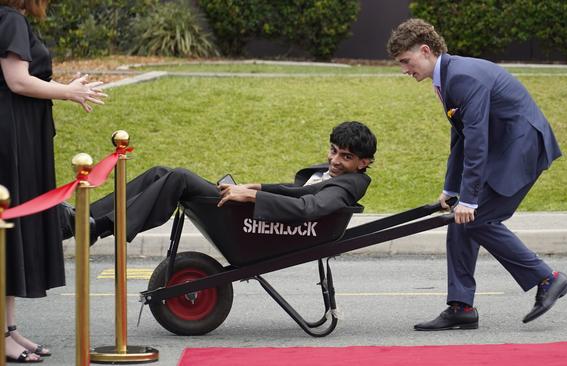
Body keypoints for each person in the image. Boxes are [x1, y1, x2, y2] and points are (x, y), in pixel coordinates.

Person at [386, 19, 567, 331]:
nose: (405, 70)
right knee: (461, 221)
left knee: (478, 217)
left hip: (521, 149)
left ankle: (547, 279)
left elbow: (476, 141)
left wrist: (469, 199)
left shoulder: (462, 78)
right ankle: (461, 306)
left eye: (406, 61)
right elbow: (460, 137)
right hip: (505, 149)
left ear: (425, 50)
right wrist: (451, 190)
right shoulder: (447, 78)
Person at [60, 121, 377, 244]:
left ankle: (97, 226)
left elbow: (309, 206)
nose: (335, 161)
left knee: (179, 177)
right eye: (333, 152)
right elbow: (299, 190)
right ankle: (88, 220)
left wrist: (249, 197)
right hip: (255, 209)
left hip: (263, 223)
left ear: (363, 163)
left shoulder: (348, 184)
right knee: (160, 173)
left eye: (345, 157)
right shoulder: (338, 173)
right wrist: (258, 187)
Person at [0, 0, 107, 362]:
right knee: (8, 232)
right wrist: (69, 91)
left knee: (10, 234)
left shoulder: (8, 18)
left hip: (16, 135)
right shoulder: (10, 18)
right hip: (11, 138)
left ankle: (9, 329)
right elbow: (17, 81)